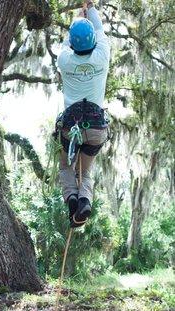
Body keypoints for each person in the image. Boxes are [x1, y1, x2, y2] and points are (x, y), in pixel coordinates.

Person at [56, 0, 110, 228]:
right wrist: (90, 9)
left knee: (67, 168)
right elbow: (99, 29)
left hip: (71, 126)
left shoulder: (65, 60)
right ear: (93, 42)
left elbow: (68, 41)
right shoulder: (102, 55)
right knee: (85, 171)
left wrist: (78, 18)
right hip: (96, 128)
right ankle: (85, 200)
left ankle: (72, 199)